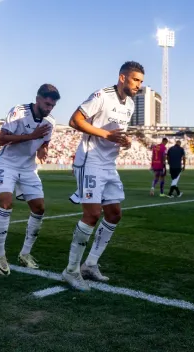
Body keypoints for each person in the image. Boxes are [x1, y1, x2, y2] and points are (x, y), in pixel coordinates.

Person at [61, 61, 144, 291]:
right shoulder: (102, 95)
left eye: (141, 82)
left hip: (109, 164)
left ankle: (90, 264)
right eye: (136, 80)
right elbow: (74, 120)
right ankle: (71, 270)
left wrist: (125, 141)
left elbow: (117, 136)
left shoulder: (129, 104)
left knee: (115, 214)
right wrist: (106, 134)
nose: (139, 85)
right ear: (122, 78)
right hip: (91, 160)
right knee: (92, 214)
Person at [0, 84, 60, 275]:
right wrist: (30, 136)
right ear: (38, 98)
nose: (48, 109)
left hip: (28, 167)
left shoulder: (51, 122)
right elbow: (1, 140)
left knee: (39, 208)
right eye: (46, 104)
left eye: (52, 106)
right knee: (6, 203)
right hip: (7, 163)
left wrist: (42, 148)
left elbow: (44, 141)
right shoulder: (18, 111)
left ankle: (25, 253)